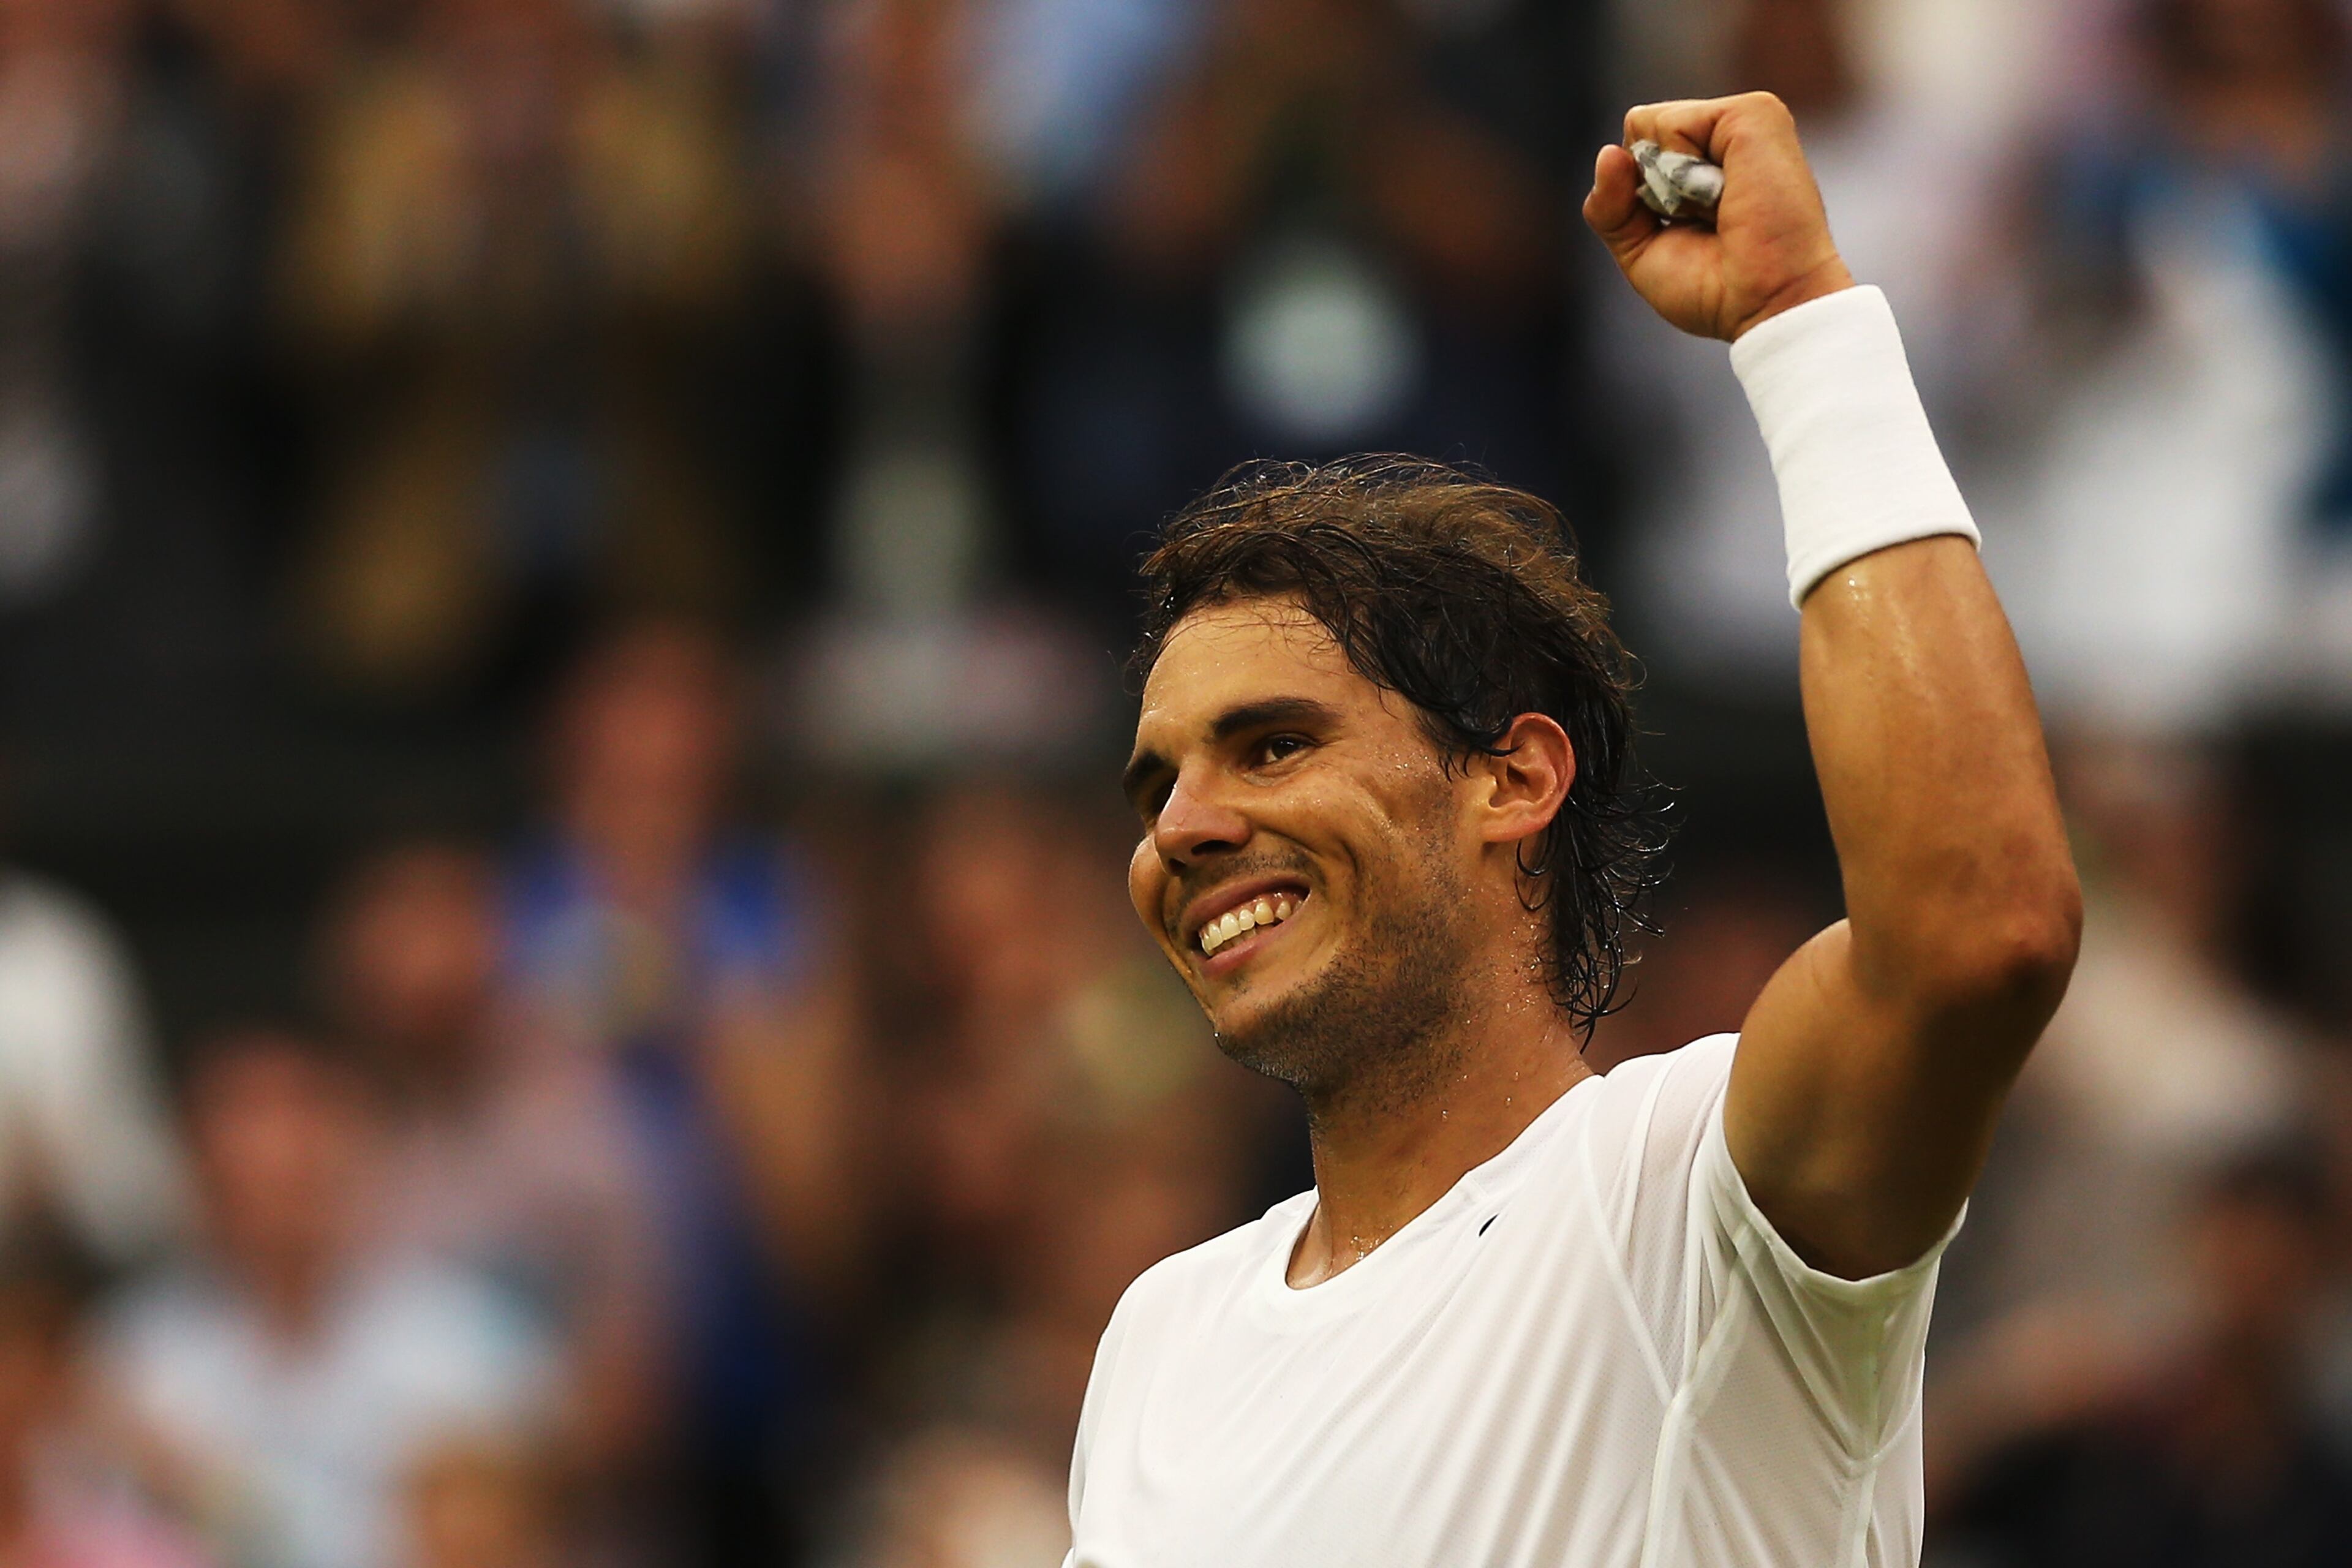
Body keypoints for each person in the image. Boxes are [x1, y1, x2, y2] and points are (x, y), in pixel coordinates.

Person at [1068, 94, 2082, 1566]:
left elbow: (1978, 929)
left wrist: (1801, 323)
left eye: (1272, 744)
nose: (1186, 826)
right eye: (1154, 784)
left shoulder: (1677, 1202)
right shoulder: (1159, 1334)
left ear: (1512, 779)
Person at [98, 1027, 555, 1568]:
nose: (273, 1152)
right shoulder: (133, 1360)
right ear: (194, 1161)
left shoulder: (474, 1342)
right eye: (238, 1123)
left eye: (304, 1117)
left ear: (362, 1137)